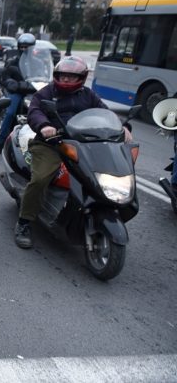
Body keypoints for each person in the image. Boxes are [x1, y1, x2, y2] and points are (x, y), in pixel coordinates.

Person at [14, 56, 130, 248]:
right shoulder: (46, 93)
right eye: (63, 76)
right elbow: (35, 111)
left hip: (83, 145)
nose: (66, 79)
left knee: (102, 175)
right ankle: (24, 222)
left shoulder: (88, 95)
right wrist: (44, 125)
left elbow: (105, 112)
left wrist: (122, 126)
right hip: (51, 144)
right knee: (41, 178)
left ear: (82, 78)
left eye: (71, 76)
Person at [0, 33, 36, 154]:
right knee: (10, 113)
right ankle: (0, 141)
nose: (24, 49)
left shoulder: (38, 62)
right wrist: (13, 84)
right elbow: (5, 76)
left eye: (27, 47)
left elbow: (45, 75)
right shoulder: (12, 62)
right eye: (22, 46)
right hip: (18, 92)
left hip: (33, 92)